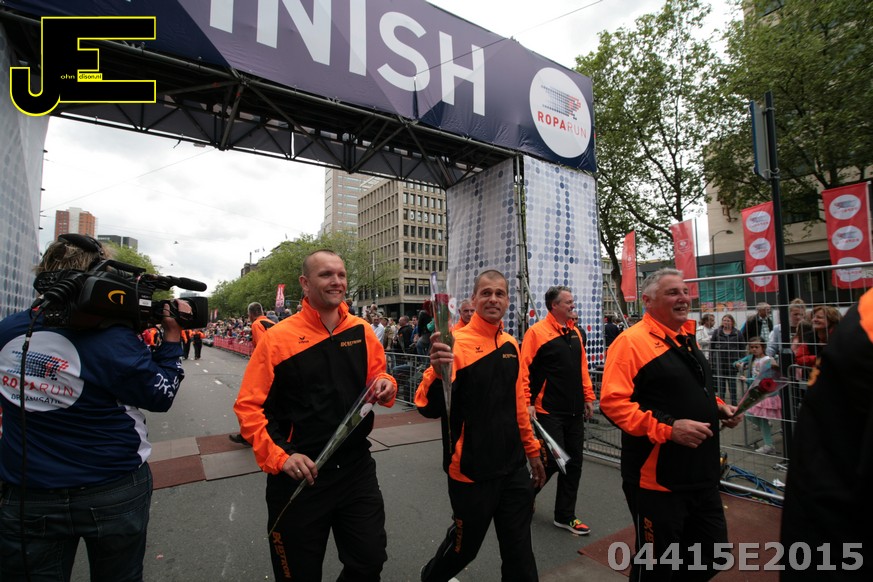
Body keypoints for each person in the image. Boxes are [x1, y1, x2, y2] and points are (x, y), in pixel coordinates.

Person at [0, 234, 189, 581]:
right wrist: (173, 337)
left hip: (27, 491)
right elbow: (161, 395)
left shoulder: (7, 330)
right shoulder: (112, 339)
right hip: (112, 487)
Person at [233, 250, 397, 582]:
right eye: (326, 275)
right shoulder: (277, 338)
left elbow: (379, 376)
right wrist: (282, 457)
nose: (337, 281)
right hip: (300, 476)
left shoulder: (363, 331)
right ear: (305, 284)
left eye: (341, 274)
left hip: (355, 470)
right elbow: (249, 407)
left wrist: (386, 384)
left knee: (369, 562)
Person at [600, 268, 741, 582]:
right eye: (673, 292)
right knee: (656, 567)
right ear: (648, 301)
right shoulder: (631, 342)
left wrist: (719, 407)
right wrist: (669, 428)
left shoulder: (685, 337)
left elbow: (694, 388)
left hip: (701, 475)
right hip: (658, 481)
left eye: (685, 291)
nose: (683, 298)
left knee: (712, 556)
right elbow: (613, 403)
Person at [416, 269, 546, 582]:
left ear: (508, 301)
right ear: (474, 300)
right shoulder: (454, 344)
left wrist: (532, 451)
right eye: (486, 293)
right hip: (471, 471)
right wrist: (437, 370)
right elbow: (427, 407)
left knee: (519, 551)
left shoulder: (511, 345)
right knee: (464, 549)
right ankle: (431, 577)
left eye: (499, 293)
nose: (493, 299)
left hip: (513, 469)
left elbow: (519, 405)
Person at [780, 289, 870, 581]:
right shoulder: (861, 319)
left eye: (820, 316)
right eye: (813, 315)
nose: (815, 319)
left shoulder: (857, 321)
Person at [519, 286, 595, 535]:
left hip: (574, 411)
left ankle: (565, 515)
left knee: (574, 465)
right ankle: (522, 498)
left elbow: (582, 367)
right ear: (554, 305)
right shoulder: (536, 332)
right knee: (552, 461)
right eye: (568, 302)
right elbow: (524, 370)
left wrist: (588, 396)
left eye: (573, 301)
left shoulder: (575, 332)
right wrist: (528, 402)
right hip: (548, 410)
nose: (573, 305)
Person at [229, 302, 276, 446]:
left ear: (251, 314)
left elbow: (263, 346)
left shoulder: (256, 324)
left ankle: (249, 435)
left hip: (263, 369)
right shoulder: (272, 323)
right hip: (276, 366)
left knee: (247, 403)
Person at [734, 337, 780, 454]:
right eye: (751, 347)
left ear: (763, 347)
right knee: (749, 414)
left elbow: (764, 377)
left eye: (756, 347)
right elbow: (735, 362)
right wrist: (739, 364)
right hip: (756, 391)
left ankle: (768, 444)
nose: (754, 349)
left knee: (753, 415)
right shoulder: (751, 358)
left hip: (764, 393)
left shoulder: (767, 360)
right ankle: (767, 436)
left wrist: (747, 379)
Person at [709, 314, 744, 404]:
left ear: (732, 322)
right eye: (724, 320)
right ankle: (722, 404)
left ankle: (734, 404)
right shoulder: (717, 332)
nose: (726, 322)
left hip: (732, 363)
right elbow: (711, 347)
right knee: (721, 386)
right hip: (719, 363)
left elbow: (742, 347)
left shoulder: (737, 333)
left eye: (728, 320)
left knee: (733, 386)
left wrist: (741, 360)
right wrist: (711, 361)